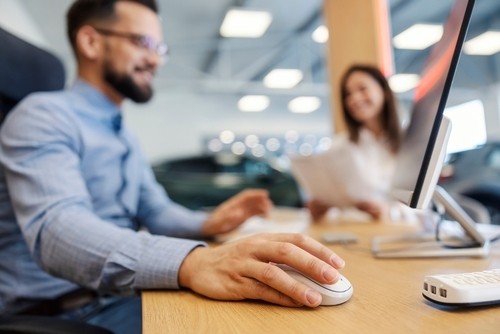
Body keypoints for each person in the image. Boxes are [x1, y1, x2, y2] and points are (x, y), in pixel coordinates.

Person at [0, 0, 345, 333]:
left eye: (160, 49)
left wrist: (210, 221)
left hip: (119, 297)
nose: (155, 60)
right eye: (143, 43)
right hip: (66, 313)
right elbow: (58, 230)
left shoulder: (124, 137)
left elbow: (157, 211)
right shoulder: (41, 116)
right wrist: (194, 262)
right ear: (90, 41)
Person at [306, 64, 402, 222]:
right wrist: (319, 210)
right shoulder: (338, 146)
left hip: (401, 232)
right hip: (356, 233)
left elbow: (424, 207)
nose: (354, 99)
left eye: (362, 89)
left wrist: (390, 211)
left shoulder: (409, 142)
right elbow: (336, 209)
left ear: (383, 90)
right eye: (348, 94)